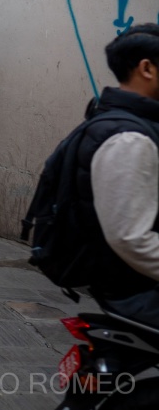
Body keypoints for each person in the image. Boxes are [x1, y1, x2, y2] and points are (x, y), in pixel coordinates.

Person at [80, 24, 159, 324]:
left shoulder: (126, 122)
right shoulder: (130, 138)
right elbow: (130, 237)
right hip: (134, 290)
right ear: (147, 68)